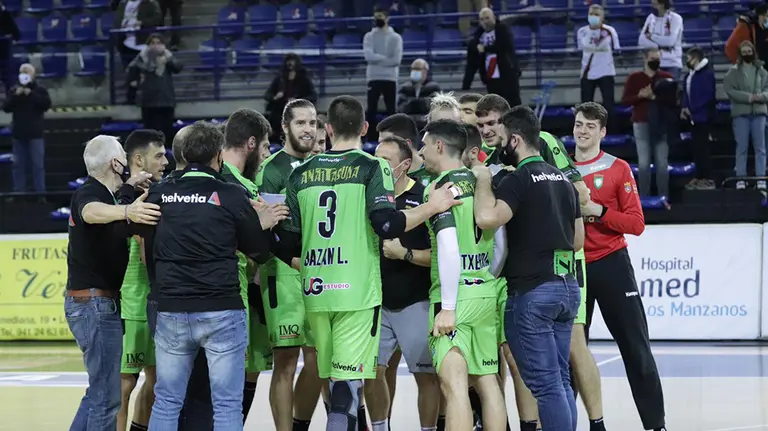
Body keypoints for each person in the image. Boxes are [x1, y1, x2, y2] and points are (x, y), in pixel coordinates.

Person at [272, 95, 463, 431]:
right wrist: (432, 207)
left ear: (326, 129)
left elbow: (285, 242)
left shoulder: (300, 173)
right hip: (356, 294)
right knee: (346, 389)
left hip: (316, 292)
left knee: (333, 382)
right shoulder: (371, 167)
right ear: (363, 128)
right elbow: (386, 225)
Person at [142, 121, 288, 430]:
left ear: (180, 153)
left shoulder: (159, 193)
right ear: (217, 156)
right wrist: (259, 222)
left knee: (167, 400)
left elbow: (145, 245)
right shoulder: (231, 194)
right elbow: (259, 252)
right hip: (221, 309)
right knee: (226, 403)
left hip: (172, 308)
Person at [473, 106, 584, 431]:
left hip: (532, 292)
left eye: (503, 137)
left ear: (516, 139)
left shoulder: (519, 179)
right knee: (561, 381)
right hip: (567, 288)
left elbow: (487, 218)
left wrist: (482, 180)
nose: (498, 143)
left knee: (547, 386)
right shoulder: (563, 179)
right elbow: (577, 240)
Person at [572, 102, 667, 431]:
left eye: (589, 126)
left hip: (612, 264)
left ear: (602, 132)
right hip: (574, 269)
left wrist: (596, 210)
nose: (582, 130)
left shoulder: (618, 168)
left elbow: (636, 223)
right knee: (572, 354)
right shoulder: (562, 170)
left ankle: (656, 425)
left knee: (636, 349)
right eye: (578, 124)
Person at [65, 134, 160, 430]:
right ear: (116, 163)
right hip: (94, 304)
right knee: (107, 400)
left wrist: (130, 189)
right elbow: (90, 212)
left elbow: (114, 201)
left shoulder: (108, 194)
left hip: (93, 303)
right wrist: (127, 210)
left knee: (98, 395)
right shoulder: (89, 193)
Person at [420, 119, 507, 431]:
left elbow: (447, 247)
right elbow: (500, 243)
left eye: (426, 145)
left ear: (440, 146)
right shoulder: (483, 182)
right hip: (485, 289)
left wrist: (448, 306)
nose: (422, 151)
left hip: (455, 297)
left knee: (455, 389)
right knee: (488, 383)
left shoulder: (439, 188)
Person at [255, 99, 323, 431]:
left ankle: (300, 425)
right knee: (286, 360)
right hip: (283, 273)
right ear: (285, 127)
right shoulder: (272, 169)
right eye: (301, 123)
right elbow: (266, 229)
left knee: (317, 360)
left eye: (313, 123)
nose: (308, 129)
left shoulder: (324, 165)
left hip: (320, 270)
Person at [365, 135, 440, 431]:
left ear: (405, 165)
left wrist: (404, 254)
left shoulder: (424, 197)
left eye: (385, 161)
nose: (378, 166)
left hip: (415, 301)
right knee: (372, 373)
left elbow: (440, 256)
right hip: (375, 303)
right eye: (376, 159)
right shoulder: (367, 196)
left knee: (426, 377)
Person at [221, 108, 276, 424]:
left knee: (250, 370)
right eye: (266, 147)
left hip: (249, 291)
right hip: (228, 294)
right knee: (228, 379)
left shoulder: (242, 182)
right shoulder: (229, 183)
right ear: (252, 143)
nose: (266, 157)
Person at [117, 129, 168, 431]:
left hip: (158, 301)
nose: (166, 161)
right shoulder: (123, 198)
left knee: (158, 382)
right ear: (138, 159)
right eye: (159, 155)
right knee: (124, 385)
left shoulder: (162, 193)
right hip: (131, 303)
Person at [621, 48, 674, 200]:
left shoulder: (666, 77)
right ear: (645, 59)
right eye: (653, 58)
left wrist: (654, 97)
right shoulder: (634, 78)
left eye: (658, 58)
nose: (656, 61)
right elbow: (626, 100)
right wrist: (640, 96)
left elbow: (673, 101)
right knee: (643, 164)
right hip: (641, 122)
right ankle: (643, 200)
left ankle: (664, 198)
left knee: (662, 164)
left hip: (662, 123)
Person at [723, 40, 768, 190]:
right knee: (741, 147)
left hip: (759, 114)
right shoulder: (733, 72)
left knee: (760, 148)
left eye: (749, 51)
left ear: (753, 52)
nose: (747, 54)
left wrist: (760, 97)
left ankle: (761, 178)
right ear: (740, 54)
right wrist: (748, 97)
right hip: (741, 115)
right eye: (744, 52)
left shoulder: (762, 71)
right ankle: (740, 179)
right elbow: (730, 90)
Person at [2, 63, 51, 194]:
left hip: (36, 134)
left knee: (38, 166)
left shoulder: (40, 90)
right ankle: (19, 193)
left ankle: (41, 194)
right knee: (18, 166)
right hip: (18, 134)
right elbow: (6, 107)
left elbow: (46, 105)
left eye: (27, 72)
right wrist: (16, 96)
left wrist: (32, 94)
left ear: (33, 75)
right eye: (22, 72)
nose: (24, 74)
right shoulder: (14, 90)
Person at [128, 33, 182, 146]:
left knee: (166, 131)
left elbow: (178, 67)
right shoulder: (142, 57)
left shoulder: (168, 56)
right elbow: (131, 69)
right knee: (149, 132)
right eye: (153, 43)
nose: (156, 46)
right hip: (148, 100)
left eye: (159, 43)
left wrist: (169, 59)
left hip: (166, 99)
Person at [463, 8, 521, 107]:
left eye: (487, 18)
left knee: (513, 104)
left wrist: (485, 48)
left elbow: (503, 46)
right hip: (490, 77)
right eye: (482, 19)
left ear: (493, 17)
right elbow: (471, 64)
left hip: (507, 74)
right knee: (495, 107)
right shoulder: (477, 37)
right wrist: (465, 86)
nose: (485, 21)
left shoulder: (503, 29)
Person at [577, 4, 619, 131]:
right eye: (591, 14)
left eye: (596, 14)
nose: (593, 17)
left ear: (602, 17)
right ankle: (585, 131)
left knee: (609, 105)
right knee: (585, 106)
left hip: (606, 72)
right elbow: (580, 49)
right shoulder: (582, 32)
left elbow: (617, 50)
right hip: (587, 74)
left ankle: (610, 131)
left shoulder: (610, 31)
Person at [363, 7, 403, 140]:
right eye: (376, 17)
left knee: (392, 110)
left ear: (387, 18)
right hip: (373, 78)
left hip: (390, 78)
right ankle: (371, 139)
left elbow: (396, 60)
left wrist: (377, 58)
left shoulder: (396, 38)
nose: (377, 19)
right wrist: (386, 58)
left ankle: (393, 137)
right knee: (371, 110)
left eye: (380, 16)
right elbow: (368, 56)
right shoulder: (369, 36)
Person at [680, 47, 716, 190]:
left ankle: (707, 177)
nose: (687, 61)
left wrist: (692, 109)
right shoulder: (690, 75)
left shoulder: (707, 74)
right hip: (693, 118)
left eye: (688, 58)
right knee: (697, 148)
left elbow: (708, 96)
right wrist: (684, 107)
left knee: (703, 149)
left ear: (696, 58)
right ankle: (699, 175)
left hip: (703, 117)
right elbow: (685, 93)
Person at [264, 54, 318, 141]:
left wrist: (298, 100)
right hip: (280, 110)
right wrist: (275, 97)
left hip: (298, 110)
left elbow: (313, 96)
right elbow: (267, 95)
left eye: (293, 61)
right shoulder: (279, 79)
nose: (290, 64)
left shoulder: (304, 80)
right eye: (289, 61)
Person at [638, 0, 683, 80]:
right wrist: (659, 46)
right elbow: (641, 40)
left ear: (662, 5)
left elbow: (670, 41)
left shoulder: (676, 18)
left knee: (669, 91)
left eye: (654, 4)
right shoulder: (650, 18)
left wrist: (652, 37)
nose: (652, 7)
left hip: (672, 63)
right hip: (653, 63)